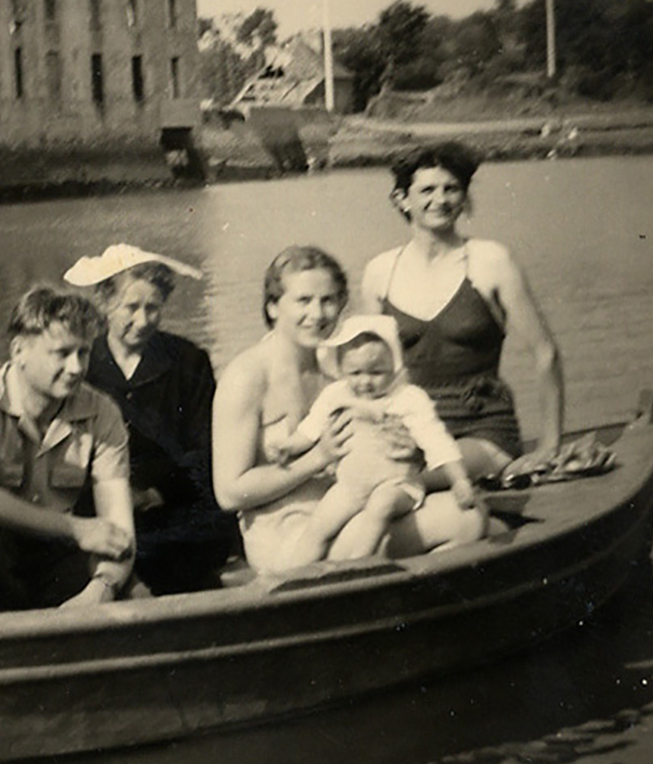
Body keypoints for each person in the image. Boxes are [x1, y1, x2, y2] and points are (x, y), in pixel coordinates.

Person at [211, 246, 484, 574]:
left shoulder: (347, 368)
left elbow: (405, 437)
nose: (318, 314)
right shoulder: (247, 377)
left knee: (472, 517)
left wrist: (409, 452)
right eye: (303, 301)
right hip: (291, 540)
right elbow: (228, 494)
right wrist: (317, 459)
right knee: (471, 522)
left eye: (328, 300)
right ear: (272, 307)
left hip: (358, 511)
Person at [359, 142, 564, 482]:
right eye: (427, 189)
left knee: (401, 483)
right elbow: (365, 369)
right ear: (401, 199)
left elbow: (546, 353)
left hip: (483, 430)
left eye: (451, 189)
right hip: (412, 429)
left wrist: (549, 446)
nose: (440, 200)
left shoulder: (492, 261)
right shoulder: (380, 272)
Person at [0, 284, 135, 614]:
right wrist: (74, 528)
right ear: (18, 352)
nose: (76, 368)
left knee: (133, 598)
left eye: (83, 352)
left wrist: (103, 588)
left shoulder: (102, 412)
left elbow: (119, 530)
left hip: (50, 551)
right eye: (62, 353)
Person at [64, 244, 236, 593]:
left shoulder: (188, 360)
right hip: (100, 504)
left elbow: (206, 449)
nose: (143, 321)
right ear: (104, 301)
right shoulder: (81, 365)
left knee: (192, 538)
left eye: (153, 308)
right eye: (131, 307)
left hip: (172, 501)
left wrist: (153, 493)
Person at [271, 315, 481, 561]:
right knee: (320, 525)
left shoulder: (408, 398)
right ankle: (295, 579)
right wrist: (289, 446)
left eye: (376, 372)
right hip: (350, 486)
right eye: (356, 373)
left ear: (394, 366)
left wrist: (459, 480)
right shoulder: (335, 394)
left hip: (398, 485)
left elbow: (438, 442)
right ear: (341, 369)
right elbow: (310, 429)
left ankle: (361, 563)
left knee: (381, 505)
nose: (365, 382)